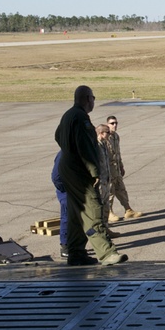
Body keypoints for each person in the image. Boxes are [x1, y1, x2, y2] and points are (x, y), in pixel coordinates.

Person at [54, 85, 126, 266]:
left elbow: (57, 135)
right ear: (87, 98)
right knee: (93, 209)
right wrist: (94, 172)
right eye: (93, 98)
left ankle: (76, 253)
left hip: (68, 169)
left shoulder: (69, 115)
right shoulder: (80, 118)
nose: (93, 101)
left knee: (76, 211)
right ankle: (107, 253)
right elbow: (85, 147)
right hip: (80, 172)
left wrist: (68, 150)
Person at [105, 115, 142, 221]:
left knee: (121, 189)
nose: (115, 125)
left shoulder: (116, 136)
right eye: (112, 123)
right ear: (107, 124)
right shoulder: (105, 137)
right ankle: (109, 212)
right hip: (108, 169)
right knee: (110, 191)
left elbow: (118, 153)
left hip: (116, 168)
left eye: (116, 123)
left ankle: (128, 210)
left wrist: (121, 165)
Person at [95, 124, 122, 240]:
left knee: (106, 206)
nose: (109, 134)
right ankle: (100, 233)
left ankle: (106, 229)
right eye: (107, 132)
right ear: (100, 133)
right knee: (99, 208)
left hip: (107, 179)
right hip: (100, 182)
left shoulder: (105, 144)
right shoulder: (95, 146)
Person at [51, 151, 68, 259]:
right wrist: (67, 190)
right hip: (67, 192)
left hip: (79, 191)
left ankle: (78, 246)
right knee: (68, 218)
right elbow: (56, 178)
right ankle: (65, 246)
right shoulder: (64, 154)